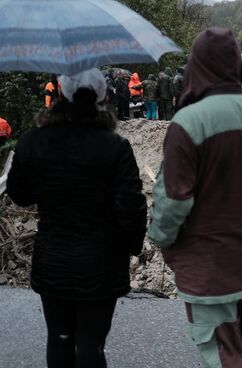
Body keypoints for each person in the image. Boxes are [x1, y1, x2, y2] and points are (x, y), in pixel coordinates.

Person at [148, 28, 242, 368]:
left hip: (210, 270)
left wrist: (162, 241)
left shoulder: (187, 124)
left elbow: (174, 201)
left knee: (226, 356)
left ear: (197, 66)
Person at [6, 68, 147, 368]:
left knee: (59, 339)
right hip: (102, 262)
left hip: (52, 258)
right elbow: (131, 206)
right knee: (91, 346)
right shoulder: (115, 147)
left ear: (61, 93)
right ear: (101, 97)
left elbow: (19, 192)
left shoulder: (34, 141)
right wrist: (134, 246)